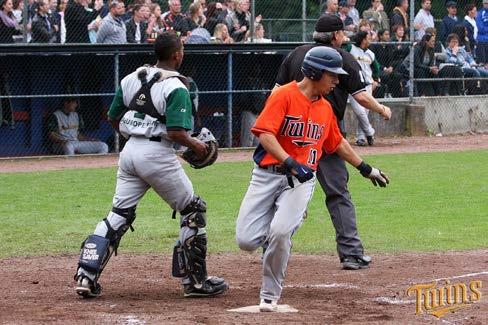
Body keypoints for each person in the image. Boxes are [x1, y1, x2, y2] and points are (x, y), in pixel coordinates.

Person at [73, 32, 228, 299]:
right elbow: (178, 132)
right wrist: (198, 147)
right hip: (156, 154)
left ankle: (85, 276)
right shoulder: (178, 86)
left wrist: (135, 134)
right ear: (177, 55)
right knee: (193, 210)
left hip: (130, 151)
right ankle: (195, 282)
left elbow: (113, 116)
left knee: (119, 214)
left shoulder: (132, 77)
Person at [237, 46, 389, 312]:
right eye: (332, 76)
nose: (337, 81)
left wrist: (366, 169)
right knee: (246, 240)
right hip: (266, 176)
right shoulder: (283, 95)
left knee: (281, 233)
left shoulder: (325, 109)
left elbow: (336, 143)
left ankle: (269, 295)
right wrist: (290, 162)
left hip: (300, 183)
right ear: (315, 72)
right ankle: (287, 219)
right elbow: (265, 135)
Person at [275, 14, 391, 270]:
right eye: (343, 33)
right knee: (338, 192)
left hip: (289, 135)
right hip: (325, 134)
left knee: (282, 190)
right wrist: (382, 109)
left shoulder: (296, 55)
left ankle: (270, 247)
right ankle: (351, 253)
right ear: (336, 36)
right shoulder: (343, 58)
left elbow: (274, 95)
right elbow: (361, 97)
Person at [346, 31, 378, 146]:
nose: (370, 40)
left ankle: (361, 138)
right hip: (354, 84)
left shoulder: (370, 53)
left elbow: (376, 68)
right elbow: (342, 46)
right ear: (363, 39)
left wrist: (376, 80)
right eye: (368, 38)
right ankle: (369, 132)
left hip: (368, 85)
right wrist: (347, 39)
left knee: (364, 111)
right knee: (360, 112)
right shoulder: (351, 48)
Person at [476, 0, 488, 65]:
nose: (487, 5)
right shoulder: (479, 13)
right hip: (482, 40)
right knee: (483, 63)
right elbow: (481, 28)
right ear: (483, 4)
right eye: (486, 3)